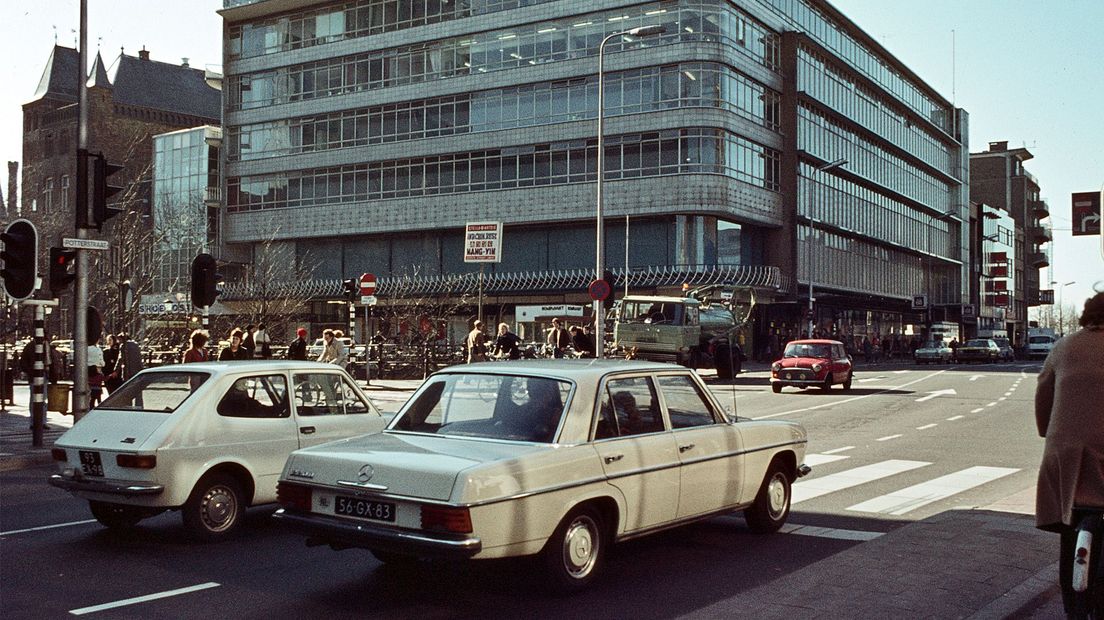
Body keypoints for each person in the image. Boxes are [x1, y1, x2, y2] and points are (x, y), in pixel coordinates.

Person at [1035, 292, 1104, 614]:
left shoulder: (1064, 346)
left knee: (1069, 525)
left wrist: (1048, 432)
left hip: (1064, 457)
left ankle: (1072, 607)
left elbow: (1043, 392)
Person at [87, 337, 105, 407]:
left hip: (88, 369)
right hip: (97, 368)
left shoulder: (86, 349)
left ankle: (90, 405)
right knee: (98, 395)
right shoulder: (98, 349)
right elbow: (101, 361)